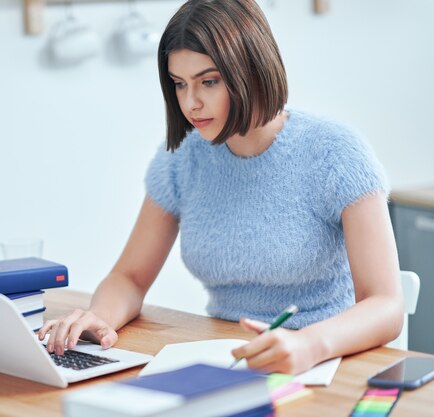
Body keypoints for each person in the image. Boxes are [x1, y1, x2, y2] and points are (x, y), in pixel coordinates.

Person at [38, 0, 403, 374]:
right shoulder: (184, 158)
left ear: (252, 70)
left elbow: (386, 305)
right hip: (230, 359)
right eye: (179, 84)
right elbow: (129, 277)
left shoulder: (335, 152)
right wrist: (99, 316)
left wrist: (308, 344)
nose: (190, 103)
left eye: (208, 81)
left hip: (325, 360)